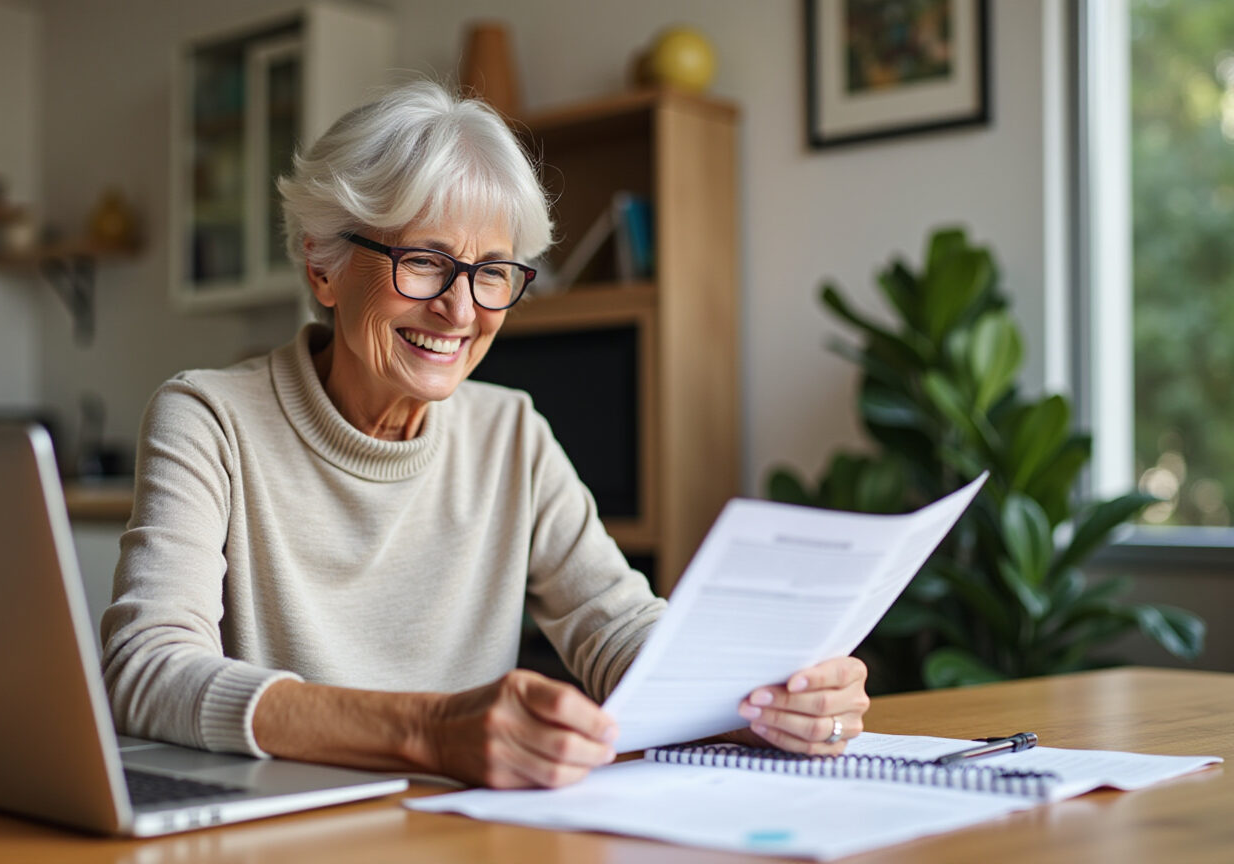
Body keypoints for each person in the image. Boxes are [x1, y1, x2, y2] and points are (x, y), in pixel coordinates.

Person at [101, 81, 869, 790]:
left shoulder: (511, 432)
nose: (462, 312)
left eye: (493, 271)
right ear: (323, 265)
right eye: (425, 262)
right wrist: (428, 730)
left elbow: (618, 626)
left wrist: (768, 691)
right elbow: (146, 670)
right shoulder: (210, 419)